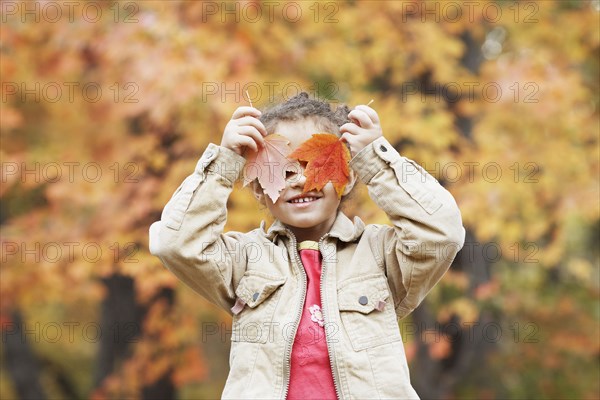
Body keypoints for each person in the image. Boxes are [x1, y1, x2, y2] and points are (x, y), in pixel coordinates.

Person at [149, 92, 465, 399]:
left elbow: (441, 233)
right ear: (259, 191)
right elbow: (175, 243)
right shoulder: (245, 260)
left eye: (315, 164)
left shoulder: (379, 255)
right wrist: (225, 163)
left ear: (348, 177)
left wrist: (375, 161)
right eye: (283, 171)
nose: (300, 179)